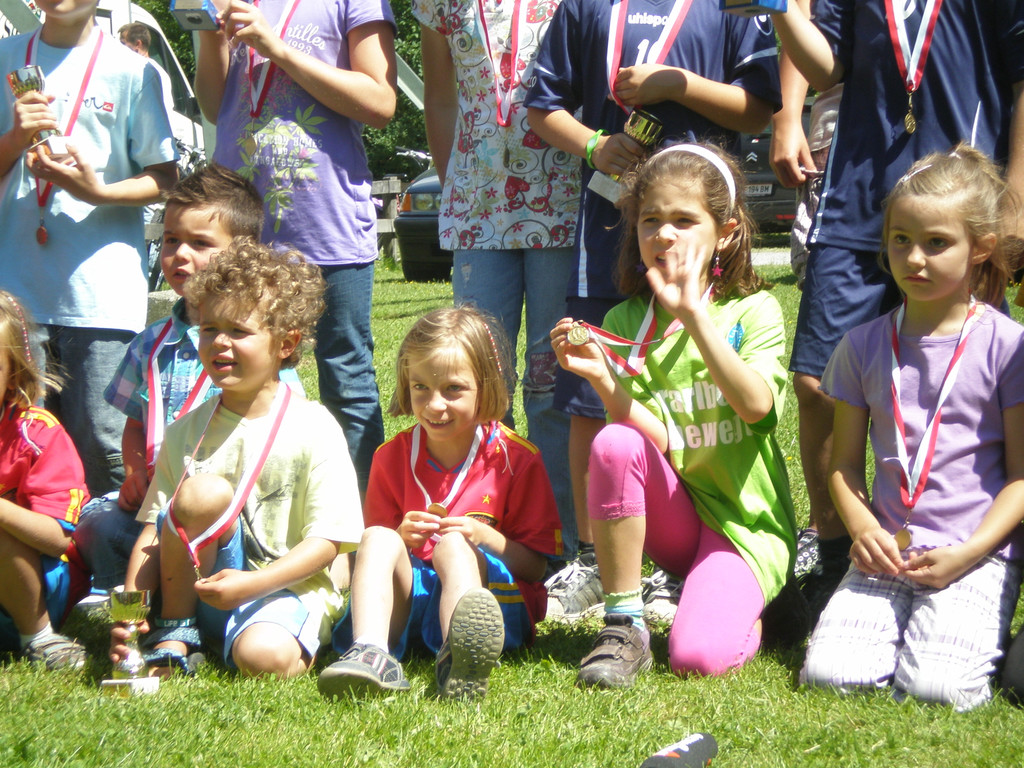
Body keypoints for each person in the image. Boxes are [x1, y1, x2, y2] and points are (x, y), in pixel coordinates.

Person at [525, 0, 780, 619]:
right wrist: (593, 145)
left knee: (689, 381)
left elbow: (759, 106)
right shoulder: (585, 5)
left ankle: (682, 559)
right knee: (591, 397)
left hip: (697, 212)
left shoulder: (726, 7)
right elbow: (541, 106)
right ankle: (596, 558)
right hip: (611, 228)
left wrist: (678, 85)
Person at [773, 0, 1024, 616]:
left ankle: (974, 549)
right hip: (857, 195)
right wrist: (780, 13)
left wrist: (1017, 194)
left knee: (966, 384)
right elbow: (828, 66)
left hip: (962, 204)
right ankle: (838, 552)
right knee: (817, 384)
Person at [550, 145, 796, 688]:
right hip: (679, 521)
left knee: (696, 659)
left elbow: (757, 409)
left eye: (685, 221)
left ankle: (758, 600)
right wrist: (602, 378)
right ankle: (624, 624)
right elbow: (656, 438)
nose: (664, 234)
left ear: (725, 233)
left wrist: (694, 316)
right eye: (650, 220)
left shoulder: (753, 310)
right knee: (613, 442)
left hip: (744, 529)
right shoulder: (626, 320)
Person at [801, 146, 1024, 712]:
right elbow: (843, 467)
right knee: (830, 675)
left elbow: (1021, 480)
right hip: (888, 553)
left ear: (981, 248)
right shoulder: (862, 345)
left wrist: (968, 553)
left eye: (937, 243)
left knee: (939, 690)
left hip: (974, 554)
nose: (914, 258)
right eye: (900, 239)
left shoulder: (1009, 347)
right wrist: (862, 530)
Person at [111, 242, 363, 678]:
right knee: (202, 492)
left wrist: (253, 585)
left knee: (263, 658)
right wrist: (129, 613)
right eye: (209, 328)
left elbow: (326, 543)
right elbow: (155, 531)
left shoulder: (316, 427)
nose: (220, 343)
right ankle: (176, 629)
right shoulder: (186, 430)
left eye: (239, 331)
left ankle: (264, 638)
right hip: (202, 591)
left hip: (283, 589)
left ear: (286, 343)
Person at [194, 0, 397, 494]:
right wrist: (208, 33)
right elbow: (216, 106)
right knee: (243, 374)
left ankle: (358, 517)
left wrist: (277, 49)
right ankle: (254, 507)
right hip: (240, 226)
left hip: (325, 227)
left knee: (344, 375)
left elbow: (380, 103)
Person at [318, 307, 562, 700]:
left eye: (453, 389)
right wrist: (401, 537)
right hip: (411, 602)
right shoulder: (389, 457)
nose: (434, 404)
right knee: (378, 537)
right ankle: (370, 651)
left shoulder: (516, 459)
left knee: (453, 546)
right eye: (420, 387)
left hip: (493, 603)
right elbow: (372, 559)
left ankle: (460, 656)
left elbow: (535, 568)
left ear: (485, 385)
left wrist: (483, 536)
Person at [414, 0, 578, 556]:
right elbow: (440, 97)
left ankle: (562, 545)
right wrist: (455, 183)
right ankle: (482, 538)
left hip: (562, 201)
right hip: (477, 208)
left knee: (554, 378)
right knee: (480, 381)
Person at [0, 0, 179, 497]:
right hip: (13, 297)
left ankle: (108, 547)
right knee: (17, 447)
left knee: (105, 449)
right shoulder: (6, 58)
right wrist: (15, 139)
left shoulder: (134, 71)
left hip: (99, 296)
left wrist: (96, 192)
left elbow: (165, 177)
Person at [73, 164, 270, 591]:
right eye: (171, 239)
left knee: (215, 527)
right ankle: (130, 590)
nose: (180, 254)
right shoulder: (148, 344)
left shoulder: (256, 345)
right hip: (156, 499)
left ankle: (195, 586)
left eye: (200, 243)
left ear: (242, 253)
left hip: (226, 504)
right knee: (95, 522)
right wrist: (133, 473)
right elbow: (135, 423)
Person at [0, 291, 90, 671]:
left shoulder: (37, 434)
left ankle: (38, 637)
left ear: (12, 376)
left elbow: (58, 539)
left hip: (36, 588)